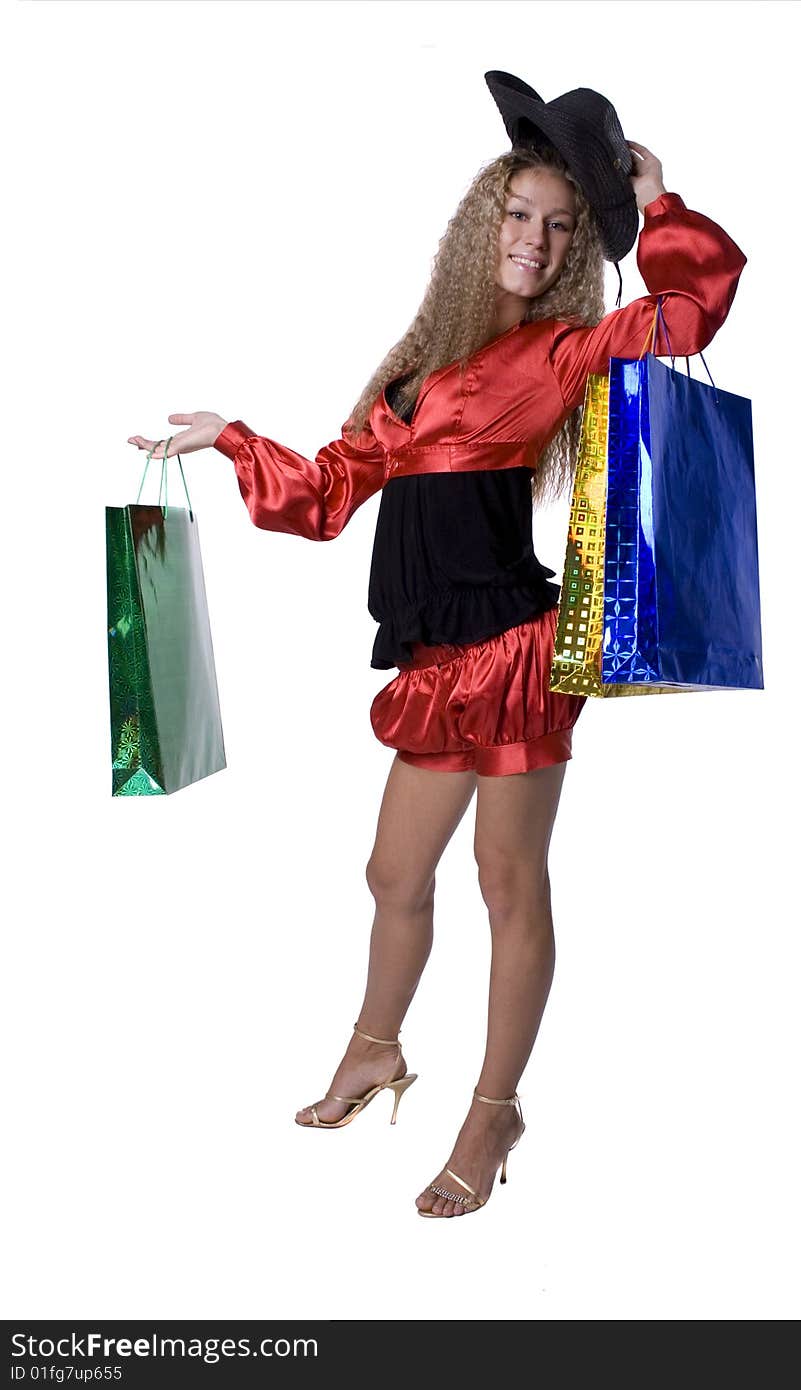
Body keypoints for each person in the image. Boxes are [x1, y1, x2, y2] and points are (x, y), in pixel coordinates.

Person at [127, 78, 747, 1218]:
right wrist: (229, 441)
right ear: (484, 221)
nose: (535, 238)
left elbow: (687, 314)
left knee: (505, 882)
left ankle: (492, 1107)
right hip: (429, 659)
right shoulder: (412, 366)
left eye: (560, 226)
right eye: (519, 214)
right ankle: (375, 1049)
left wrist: (658, 209)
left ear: (571, 252)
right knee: (391, 873)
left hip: (511, 651)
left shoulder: (564, 350)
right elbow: (322, 496)